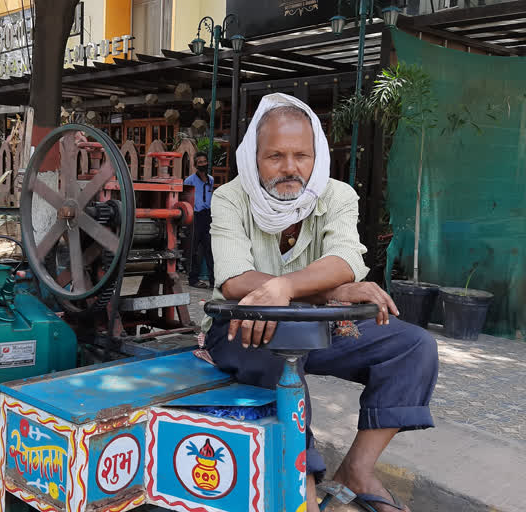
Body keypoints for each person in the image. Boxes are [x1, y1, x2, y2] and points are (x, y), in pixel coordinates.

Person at [203, 93, 438, 512]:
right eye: (275, 155)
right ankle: (303, 482)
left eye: (301, 155)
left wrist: (287, 288)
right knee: (279, 364)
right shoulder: (229, 197)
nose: (290, 168)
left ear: (318, 156)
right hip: (246, 326)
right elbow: (235, 279)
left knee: (414, 347)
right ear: (253, 157)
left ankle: (358, 470)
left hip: (320, 324)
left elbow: (346, 260)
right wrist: (324, 289)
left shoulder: (338, 195)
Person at [184, 151, 215, 289]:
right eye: (200, 162)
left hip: (207, 216)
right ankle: (193, 279)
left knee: (210, 248)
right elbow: (185, 198)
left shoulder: (211, 179)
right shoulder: (189, 180)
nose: (203, 164)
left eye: (204, 161)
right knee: (194, 249)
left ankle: (214, 280)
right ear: (195, 165)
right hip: (195, 216)